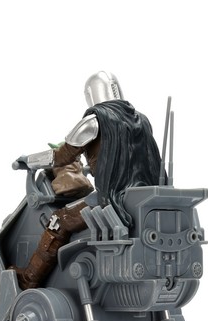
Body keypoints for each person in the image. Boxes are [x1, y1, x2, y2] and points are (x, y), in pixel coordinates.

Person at [12, 71, 164, 290]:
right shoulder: (142, 121)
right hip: (141, 199)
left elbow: (61, 156)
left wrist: (29, 161)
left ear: (91, 94)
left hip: (112, 201)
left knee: (58, 220)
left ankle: (29, 279)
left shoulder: (94, 122)